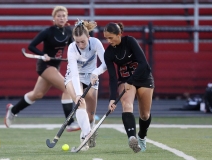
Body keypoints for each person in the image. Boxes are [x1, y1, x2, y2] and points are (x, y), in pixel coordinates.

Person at [4, 6, 80, 132]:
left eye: (64, 16)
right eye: (59, 16)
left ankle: (13, 110)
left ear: (67, 18)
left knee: (37, 94)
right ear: (54, 18)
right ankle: (70, 122)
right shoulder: (48, 31)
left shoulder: (68, 31)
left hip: (55, 66)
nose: (61, 18)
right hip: (44, 66)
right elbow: (31, 46)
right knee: (67, 88)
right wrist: (42, 54)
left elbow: (72, 47)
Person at [103, 22, 154, 153]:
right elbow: (113, 77)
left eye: (110, 37)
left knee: (145, 114)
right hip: (125, 80)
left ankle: (141, 136)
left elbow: (143, 63)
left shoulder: (130, 41)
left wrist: (131, 80)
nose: (108, 41)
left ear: (119, 34)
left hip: (143, 78)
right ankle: (132, 137)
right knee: (127, 105)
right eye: (106, 38)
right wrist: (112, 99)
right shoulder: (108, 53)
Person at [64, 19, 107, 151]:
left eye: (83, 41)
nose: (80, 44)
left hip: (91, 76)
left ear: (89, 37)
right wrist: (78, 94)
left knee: (91, 115)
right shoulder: (72, 48)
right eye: (77, 41)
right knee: (80, 104)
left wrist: (96, 72)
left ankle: (89, 131)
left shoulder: (95, 43)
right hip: (73, 77)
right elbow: (75, 74)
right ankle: (86, 137)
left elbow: (106, 63)